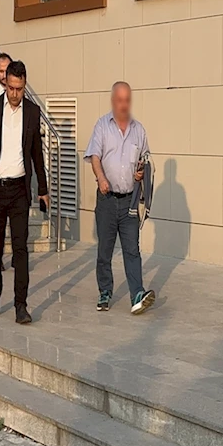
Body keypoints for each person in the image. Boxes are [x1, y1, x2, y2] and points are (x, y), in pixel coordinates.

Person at [0, 61, 49, 324]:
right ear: (5, 83)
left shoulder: (32, 111)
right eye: (11, 88)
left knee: (20, 249)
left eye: (19, 89)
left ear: (24, 85)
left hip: (19, 190)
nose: (15, 94)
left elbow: (36, 152)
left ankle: (21, 305)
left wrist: (43, 189)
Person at [84, 82, 156, 315]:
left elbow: (145, 160)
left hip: (129, 203)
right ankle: (105, 291)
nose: (123, 105)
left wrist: (141, 172)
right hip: (107, 199)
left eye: (127, 100)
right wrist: (101, 177)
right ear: (113, 100)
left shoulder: (139, 131)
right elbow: (95, 156)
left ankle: (137, 294)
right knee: (105, 250)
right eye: (119, 100)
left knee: (132, 249)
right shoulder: (102, 126)